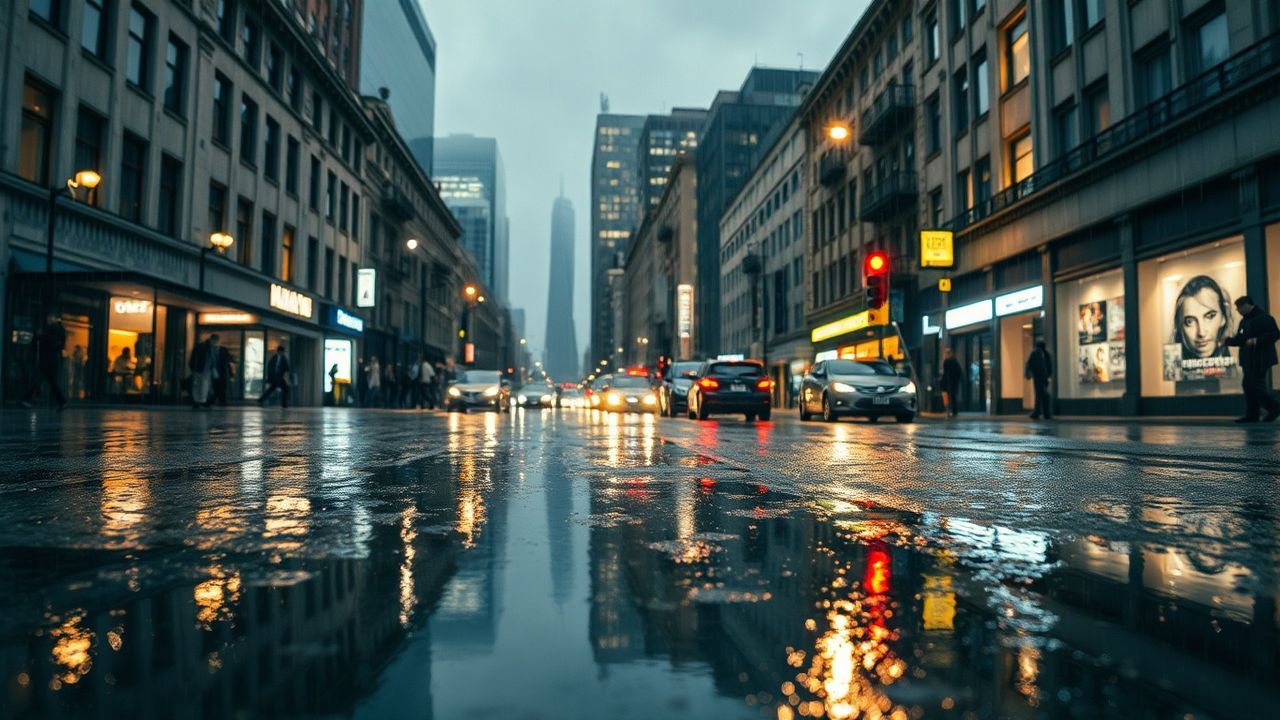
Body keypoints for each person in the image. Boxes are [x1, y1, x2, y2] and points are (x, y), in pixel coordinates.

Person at [1224, 295, 1280, 423]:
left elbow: (1275, 334)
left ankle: (1274, 407)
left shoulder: (1264, 318)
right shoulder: (1244, 321)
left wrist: (1257, 341)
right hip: (1248, 359)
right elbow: (1241, 340)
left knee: (1254, 385)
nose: (1238, 310)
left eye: (1239, 307)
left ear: (1246, 305)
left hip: (1261, 358)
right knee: (1249, 385)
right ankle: (1252, 415)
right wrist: (1228, 341)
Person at [20, 313, 68, 410]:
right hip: (50, 359)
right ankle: (62, 402)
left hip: (49, 360)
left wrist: (41, 336)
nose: (48, 319)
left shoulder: (56, 329)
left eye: (51, 317)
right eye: (48, 317)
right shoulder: (54, 329)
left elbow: (53, 342)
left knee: (39, 379)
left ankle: (26, 399)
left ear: (55, 318)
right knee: (51, 381)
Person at [1025, 340, 1054, 420]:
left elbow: (1029, 364)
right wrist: (1049, 376)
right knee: (1041, 394)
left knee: (1041, 394)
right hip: (1044, 378)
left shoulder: (1035, 353)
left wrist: (1029, 374)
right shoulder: (1046, 354)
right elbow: (1049, 366)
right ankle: (1042, 412)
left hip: (1038, 377)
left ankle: (1041, 412)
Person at [208, 334, 235, 407]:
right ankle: (215, 400)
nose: (215, 342)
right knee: (215, 386)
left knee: (221, 386)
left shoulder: (222, 349)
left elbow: (229, 359)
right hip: (212, 370)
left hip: (221, 370)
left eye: (216, 340)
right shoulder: (209, 349)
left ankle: (218, 400)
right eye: (214, 340)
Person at [188, 336, 213, 409]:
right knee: (203, 386)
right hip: (203, 370)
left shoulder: (199, 348)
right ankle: (201, 401)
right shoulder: (206, 349)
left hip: (200, 370)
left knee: (198, 386)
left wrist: (193, 368)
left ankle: (198, 401)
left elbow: (193, 359)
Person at [940, 348, 963, 418]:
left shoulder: (947, 362)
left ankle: (949, 411)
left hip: (948, 383)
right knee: (953, 397)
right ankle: (953, 411)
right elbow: (959, 372)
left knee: (948, 397)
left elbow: (945, 373)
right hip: (953, 382)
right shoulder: (955, 362)